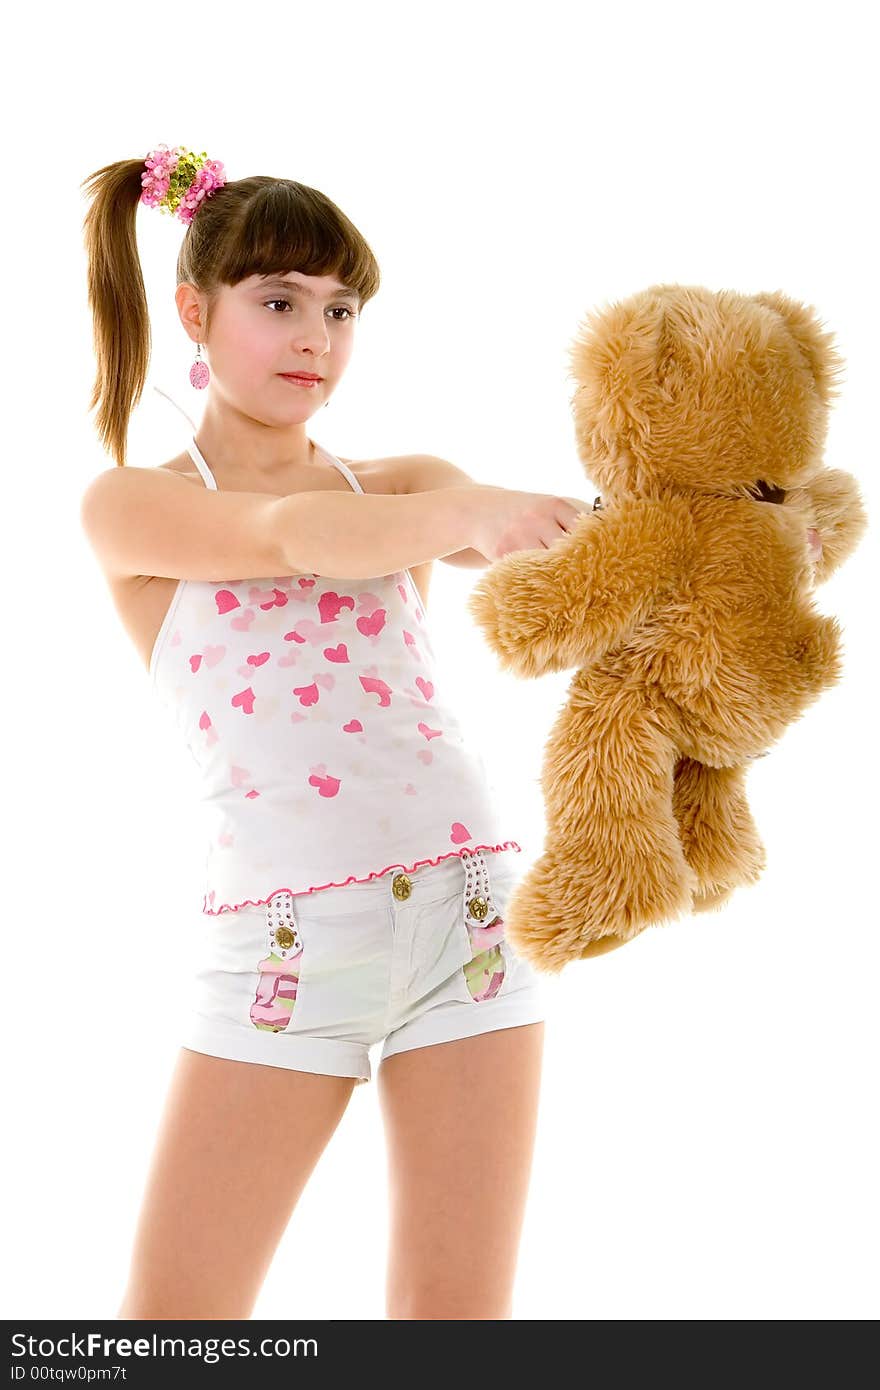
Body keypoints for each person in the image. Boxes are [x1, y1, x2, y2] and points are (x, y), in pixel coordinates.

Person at [78, 145, 590, 1321]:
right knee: (174, 1329)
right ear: (194, 311)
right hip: (287, 945)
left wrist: (716, 534)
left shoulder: (398, 483)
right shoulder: (135, 505)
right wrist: (463, 511)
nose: (317, 335)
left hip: (471, 916)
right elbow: (284, 534)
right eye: (279, 302)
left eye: (340, 307)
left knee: (455, 1320)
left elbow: (548, 558)